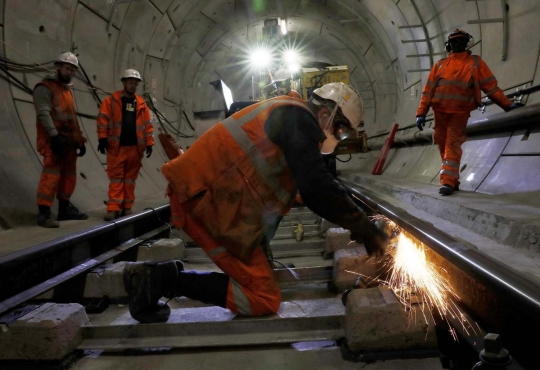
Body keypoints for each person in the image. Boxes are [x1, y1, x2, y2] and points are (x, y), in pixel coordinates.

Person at [123, 82, 389, 323]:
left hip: (214, 200)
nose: (340, 139)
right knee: (262, 298)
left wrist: (358, 214)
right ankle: (161, 280)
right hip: (203, 202)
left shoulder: (290, 116)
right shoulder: (298, 121)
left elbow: (309, 185)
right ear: (326, 115)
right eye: (342, 132)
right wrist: (364, 226)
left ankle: (163, 276)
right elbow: (316, 187)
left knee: (260, 279)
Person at [416, 29, 524, 196]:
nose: (456, 44)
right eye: (454, 41)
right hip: (440, 112)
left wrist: (507, 104)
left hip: (459, 113)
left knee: (452, 145)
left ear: (466, 43)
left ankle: (447, 182)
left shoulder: (475, 63)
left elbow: (490, 87)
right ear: (449, 45)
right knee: (442, 144)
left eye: (460, 41)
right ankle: (453, 179)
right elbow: (428, 90)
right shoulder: (440, 65)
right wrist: (421, 112)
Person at [34, 52, 88, 228]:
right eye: (67, 68)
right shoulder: (45, 88)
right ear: (58, 67)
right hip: (54, 141)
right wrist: (54, 136)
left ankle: (64, 209)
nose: (70, 72)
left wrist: (79, 139)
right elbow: (43, 113)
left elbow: (71, 118)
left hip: (68, 143)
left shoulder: (66, 91)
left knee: (68, 176)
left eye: (72, 70)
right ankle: (44, 213)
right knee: (51, 176)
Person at [96, 69, 154, 221]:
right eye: (130, 82)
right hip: (117, 148)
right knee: (116, 179)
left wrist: (149, 143)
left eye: (135, 83)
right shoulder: (111, 101)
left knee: (129, 180)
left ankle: (127, 207)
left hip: (135, 149)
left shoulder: (141, 105)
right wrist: (102, 138)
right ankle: (113, 209)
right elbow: (103, 120)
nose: (133, 85)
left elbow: (148, 126)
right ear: (124, 83)